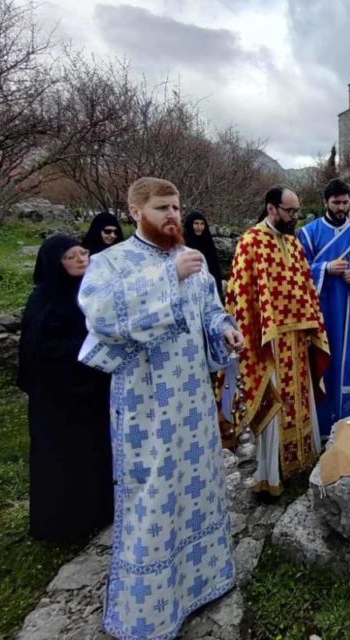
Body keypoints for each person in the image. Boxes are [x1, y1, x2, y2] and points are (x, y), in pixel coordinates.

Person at [77, 177, 245, 640]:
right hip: (146, 407)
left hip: (193, 401)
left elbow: (210, 310)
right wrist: (169, 277)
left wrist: (224, 330)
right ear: (135, 210)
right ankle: (150, 610)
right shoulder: (111, 264)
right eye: (162, 208)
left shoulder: (187, 258)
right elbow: (101, 315)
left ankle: (204, 580)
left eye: (176, 207)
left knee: (199, 486)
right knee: (154, 496)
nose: (173, 215)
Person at [225, 187, 329, 495]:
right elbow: (241, 298)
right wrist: (253, 337)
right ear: (272, 208)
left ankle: (302, 464)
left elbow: (305, 287)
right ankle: (272, 475)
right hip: (268, 345)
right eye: (290, 211)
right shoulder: (250, 243)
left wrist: (311, 323)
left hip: (297, 340)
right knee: (275, 407)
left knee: (301, 400)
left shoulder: (293, 244)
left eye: (296, 211)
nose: (295, 217)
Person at [19, 235, 112, 543]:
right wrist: (88, 346)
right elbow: (40, 349)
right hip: (58, 396)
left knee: (96, 452)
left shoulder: (92, 293)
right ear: (53, 263)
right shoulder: (44, 299)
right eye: (70, 256)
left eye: (83, 253)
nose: (81, 260)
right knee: (63, 459)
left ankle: (99, 512)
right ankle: (64, 526)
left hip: (93, 389)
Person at [297, 180, 350, 440]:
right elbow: (298, 269)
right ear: (326, 202)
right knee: (325, 365)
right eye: (336, 203)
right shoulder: (308, 233)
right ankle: (323, 430)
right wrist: (324, 269)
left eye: (345, 202)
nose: (341, 207)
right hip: (322, 314)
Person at [182, 211, 223, 284]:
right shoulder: (182, 243)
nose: (199, 227)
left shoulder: (208, 242)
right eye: (196, 223)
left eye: (202, 224)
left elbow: (214, 267)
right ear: (190, 224)